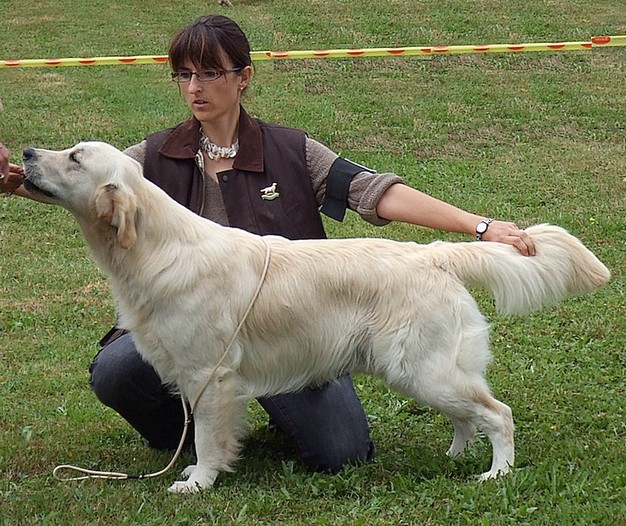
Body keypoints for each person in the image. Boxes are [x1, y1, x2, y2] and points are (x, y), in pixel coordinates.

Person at [4, 14, 535, 474]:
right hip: (184, 327)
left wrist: (478, 227)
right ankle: (193, 432)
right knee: (119, 372)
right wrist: (15, 180)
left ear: (243, 78)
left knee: (340, 452)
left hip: (298, 330)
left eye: (211, 73)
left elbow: (376, 193)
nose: (195, 87)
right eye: (184, 75)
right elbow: (85, 188)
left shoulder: (290, 148)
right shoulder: (150, 157)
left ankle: (249, 410)